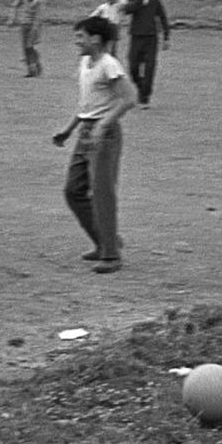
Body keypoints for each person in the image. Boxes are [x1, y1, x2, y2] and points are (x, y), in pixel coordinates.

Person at [50, 16, 137, 274]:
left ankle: (111, 255)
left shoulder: (109, 65)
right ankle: (104, 241)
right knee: (74, 190)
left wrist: (104, 124)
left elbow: (129, 98)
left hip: (104, 135)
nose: (77, 41)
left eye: (81, 36)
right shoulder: (86, 63)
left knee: (102, 194)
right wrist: (68, 130)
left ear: (96, 39)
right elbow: (87, 104)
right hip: (86, 132)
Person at [120, 0, 169, 108]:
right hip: (136, 37)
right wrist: (139, 0)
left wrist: (166, 37)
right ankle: (141, 88)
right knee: (133, 67)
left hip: (151, 38)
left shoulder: (155, 0)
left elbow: (162, 17)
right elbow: (128, 10)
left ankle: (144, 98)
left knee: (149, 68)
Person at [8, 0, 46, 77]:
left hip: (34, 25)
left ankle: (34, 67)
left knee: (29, 46)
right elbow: (15, 5)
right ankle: (32, 67)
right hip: (23, 23)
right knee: (25, 47)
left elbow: (39, 15)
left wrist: (35, 28)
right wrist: (12, 18)